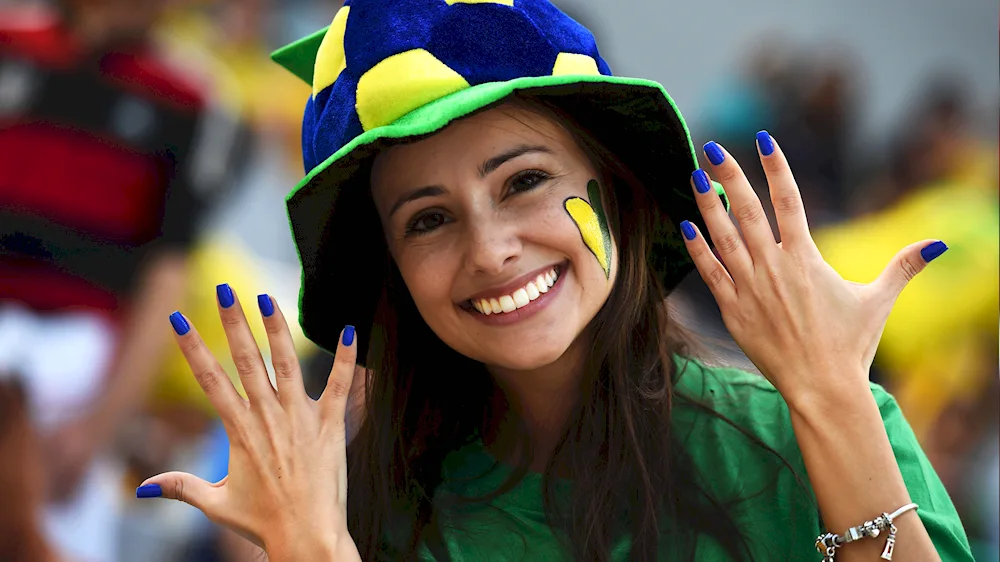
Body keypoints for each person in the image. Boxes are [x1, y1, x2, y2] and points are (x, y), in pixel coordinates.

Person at [137, 1, 974, 560]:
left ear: (612, 186)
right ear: (389, 269)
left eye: (524, 181)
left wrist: (833, 400)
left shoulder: (814, 423)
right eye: (428, 219)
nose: (492, 249)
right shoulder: (359, 505)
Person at [0, 1, 240, 559]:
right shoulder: (9, 45)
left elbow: (167, 275)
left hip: (82, 360)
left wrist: (99, 426)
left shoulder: (193, 99)